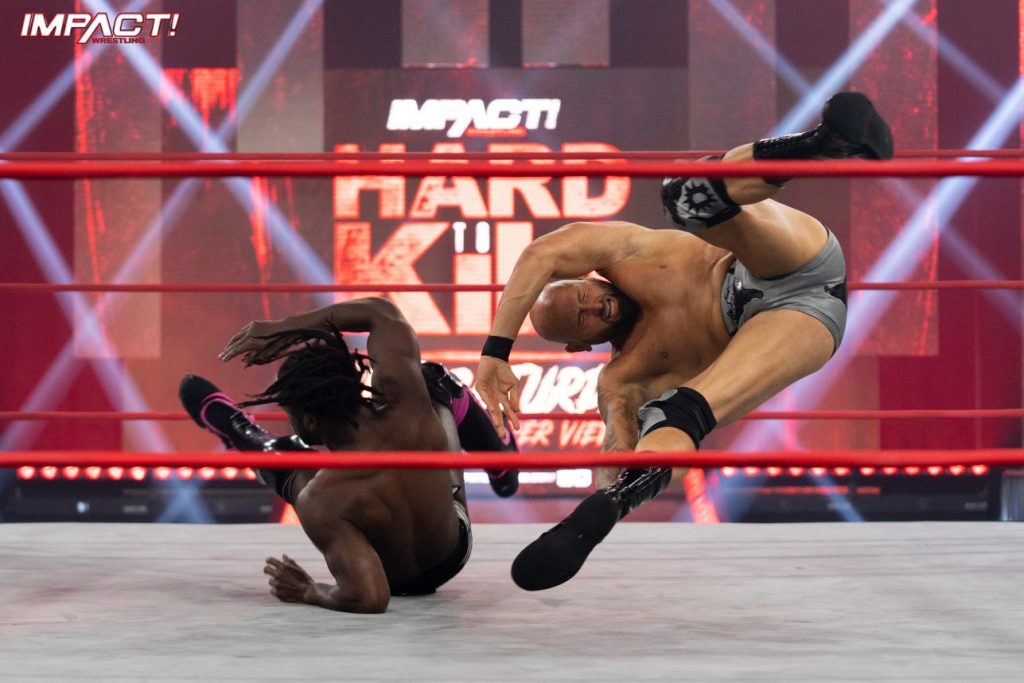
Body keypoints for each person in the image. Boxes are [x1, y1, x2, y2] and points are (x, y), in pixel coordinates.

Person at [473, 92, 893, 590]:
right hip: (796, 322)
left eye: (583, 296)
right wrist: (611, 487)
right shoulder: (623, 375)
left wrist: (495, 353)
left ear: (588, 277)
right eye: (580, 321)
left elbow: (542, 254)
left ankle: (821, 143)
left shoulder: (626, 252)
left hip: (781, 258)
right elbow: (619, 441)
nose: (593, 308)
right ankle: (608, 511)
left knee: (684, 195)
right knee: (677, 415)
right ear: (578, 348)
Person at [179, 297, 518, 613]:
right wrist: (285, 328)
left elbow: (370, 596)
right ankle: (502, 462)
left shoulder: (321, 498)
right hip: (453, 552)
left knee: (290, 464)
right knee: (431, 377)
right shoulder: (406, 402)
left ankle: (242, 432)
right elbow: (380, 312)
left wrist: (308, 591)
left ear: (309, 421)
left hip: (390, 576)